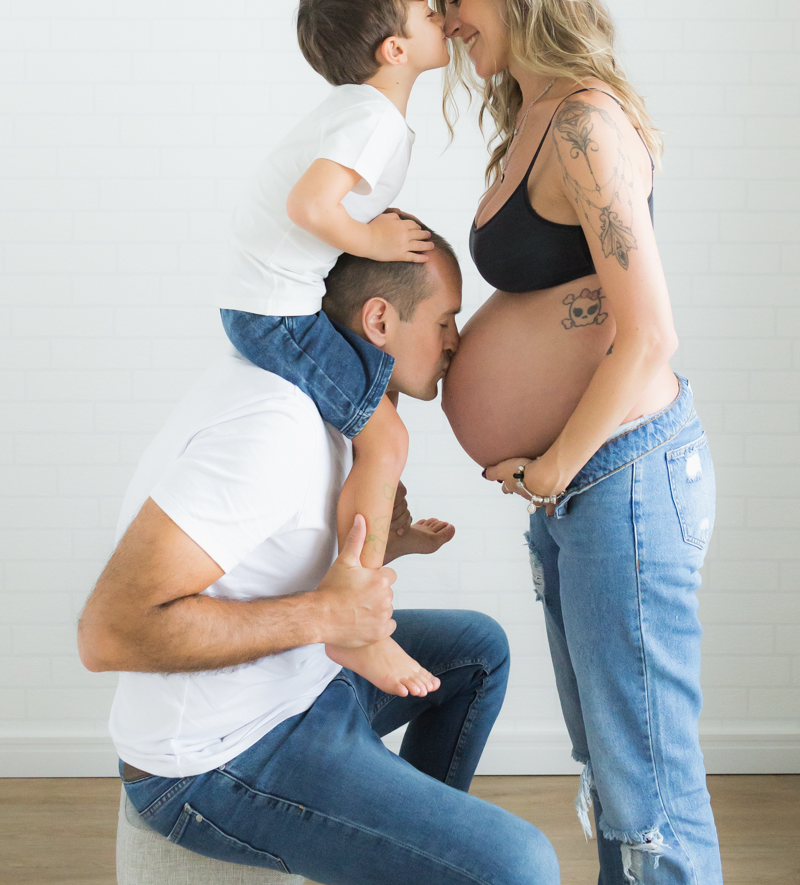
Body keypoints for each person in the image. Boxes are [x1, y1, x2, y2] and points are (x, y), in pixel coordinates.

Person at [77, 237, 560, 885]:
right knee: (521, 864)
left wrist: (382, 550)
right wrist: (327, 617)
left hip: (302, 686)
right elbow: (109, 632)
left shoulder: (342, 414)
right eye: (445, 321)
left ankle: (413, 859)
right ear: (380, 320)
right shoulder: (273, 428)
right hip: (215, 759)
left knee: (477, 649)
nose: (456, 342)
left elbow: (274, 561)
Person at [432, 0, 722, 885]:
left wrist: (555, 466)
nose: (448, 21)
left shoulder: (586, 126)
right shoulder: (536, 116)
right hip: (588, 489)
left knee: (648, 791)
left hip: (619, 478)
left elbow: (650, 335)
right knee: (612, 772)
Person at [219, 0, 451, 697]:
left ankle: (380, 537)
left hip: (273, 303)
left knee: (378, 408)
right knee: (389, 437)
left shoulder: (362, 113)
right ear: (395, 48)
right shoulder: (370, 116)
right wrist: (375, 239)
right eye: (426, 7)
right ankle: (357, 626)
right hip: (276, 312)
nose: (442, 14)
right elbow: (310, 206)